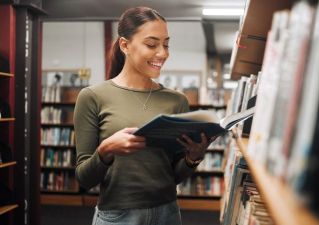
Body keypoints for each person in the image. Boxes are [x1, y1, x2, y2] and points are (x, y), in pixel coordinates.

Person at [74, 6, 214, 225]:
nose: (163, 53)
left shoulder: (177, 101)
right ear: (125, 45)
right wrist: (106, 150)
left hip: (168, 214)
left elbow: (173, 176)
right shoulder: (92, 97)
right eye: (152, 44)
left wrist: (192, 158)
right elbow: (84, 177)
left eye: (166, 44)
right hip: (117, 216)